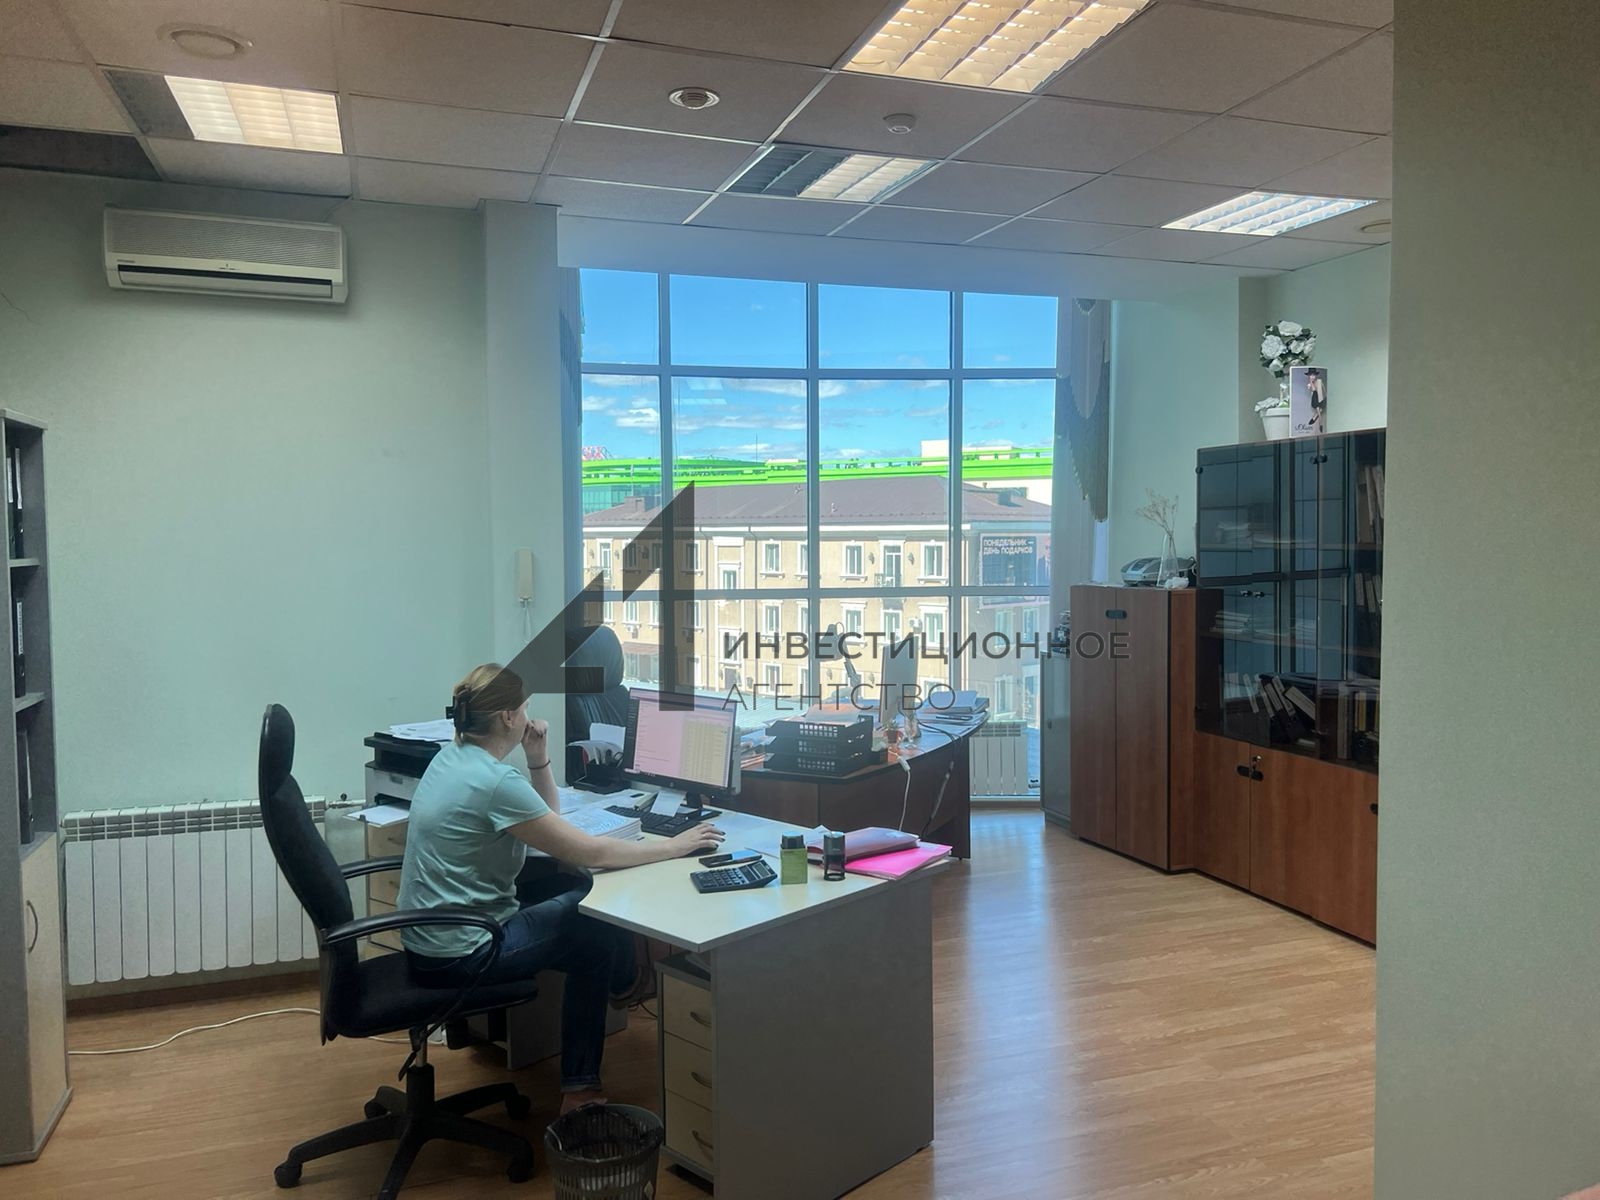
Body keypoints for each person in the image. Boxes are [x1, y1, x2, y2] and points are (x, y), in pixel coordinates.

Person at [398, 663, 724, 1113]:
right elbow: (589, 853)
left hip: (429, 937)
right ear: (509, 716)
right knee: (594, 929)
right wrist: (675, 846)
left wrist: (537, 757)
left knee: (566, 889)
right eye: (526, 707)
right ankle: (584, 1079)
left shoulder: (452, 757)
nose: (530, 715)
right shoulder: (495, 782)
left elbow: (547, 820)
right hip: (465, 951)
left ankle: (623, 986)